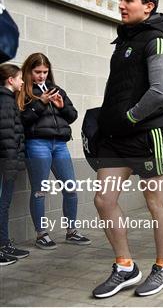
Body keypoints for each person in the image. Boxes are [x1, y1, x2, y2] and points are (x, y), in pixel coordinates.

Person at [93, 0, 163, 298]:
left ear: (148, 6)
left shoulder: (156, 41)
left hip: (146, 134)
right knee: (104, 199)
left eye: (128, 0)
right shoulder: (124, 40)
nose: (121, 5)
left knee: (155, 203)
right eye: (121, 0)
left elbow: (159, 92)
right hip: (116, 138)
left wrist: (128, 117)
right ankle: (125, 266)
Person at [19, 53, 90, 250]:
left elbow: (72, 115)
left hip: (59, 145)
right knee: (40, 190)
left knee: (70, 188)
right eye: (37, 72)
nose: (41, 76)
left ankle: (72, 231)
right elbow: (22, 120)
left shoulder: (56, 89)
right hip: (37, 143)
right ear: (29, 71)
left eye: (45, 71)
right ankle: (41, 234)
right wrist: (40, 102)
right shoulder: (23, 91)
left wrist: (61, 106)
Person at [0, 64, 28, 265]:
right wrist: (11, 163)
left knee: (4, 204)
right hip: (4, 164)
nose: (22, 82)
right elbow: (6, 136)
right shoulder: (4, 101)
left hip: (7, 162)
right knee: (1, 204)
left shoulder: (8, 100)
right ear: (10, 80)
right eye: (19, 78)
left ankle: (4, 244)